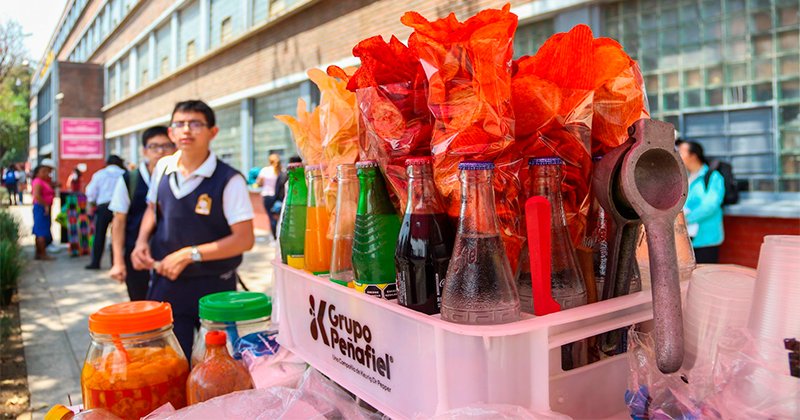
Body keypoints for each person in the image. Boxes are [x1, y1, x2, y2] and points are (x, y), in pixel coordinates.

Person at [131, 100, 255, 358]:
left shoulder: (229, 179)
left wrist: (190, 254)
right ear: (171, 132)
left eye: (196, 123)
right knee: (169, 363)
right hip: (167, 283)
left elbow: (244, 239)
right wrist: (141, 242)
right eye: (180, 124)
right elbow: (153, 209)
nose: (186, 130)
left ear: (213, 132)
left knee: (220, 366)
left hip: (215, 287)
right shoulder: (163, 168)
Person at [109, 126, 175, 301]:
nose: (161, 152)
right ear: (144, 151)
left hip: (171, 256)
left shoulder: (180, 177)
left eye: (167, 146)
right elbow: (119, 222)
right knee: (142, 307)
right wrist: (118, 261)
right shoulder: (130, 180)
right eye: (154, 147)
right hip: (137, 256)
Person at [677, 140, 725, 264]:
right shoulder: (682, 177)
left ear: (693, 156)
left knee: (703, 277)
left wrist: (685, 220)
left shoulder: (713, 177)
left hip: (706, 239)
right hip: (685, 239)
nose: (677, 156)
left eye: (681, 153)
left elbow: (710, 205)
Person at [85, 155, 126, 269]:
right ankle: (116, 263)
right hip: (120, 209)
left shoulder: (99, 174)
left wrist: (91, 203)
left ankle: (95, 263)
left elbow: (90, 192)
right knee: (118, 236)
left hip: (103, 207)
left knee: (99, 235)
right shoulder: (124, 174)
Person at [31, 159, 58, 260]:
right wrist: (45, 206)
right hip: (41, 207)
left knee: (42, 230)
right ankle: (42, 253)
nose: (47, 173)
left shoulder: (43, 181)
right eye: (44, 171)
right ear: (38, 173)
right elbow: (37, 196)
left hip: (43, 207)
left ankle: (39, 253)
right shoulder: (38, 182)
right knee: (41, 231)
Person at [256, 154, 286, 239]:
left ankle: (275, 238)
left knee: (271, 217)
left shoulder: (265, 170)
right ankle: (280, 236)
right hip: (279, 197)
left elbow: (259, 183)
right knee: (281, 217)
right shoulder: (282, 170)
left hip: (267, 196)